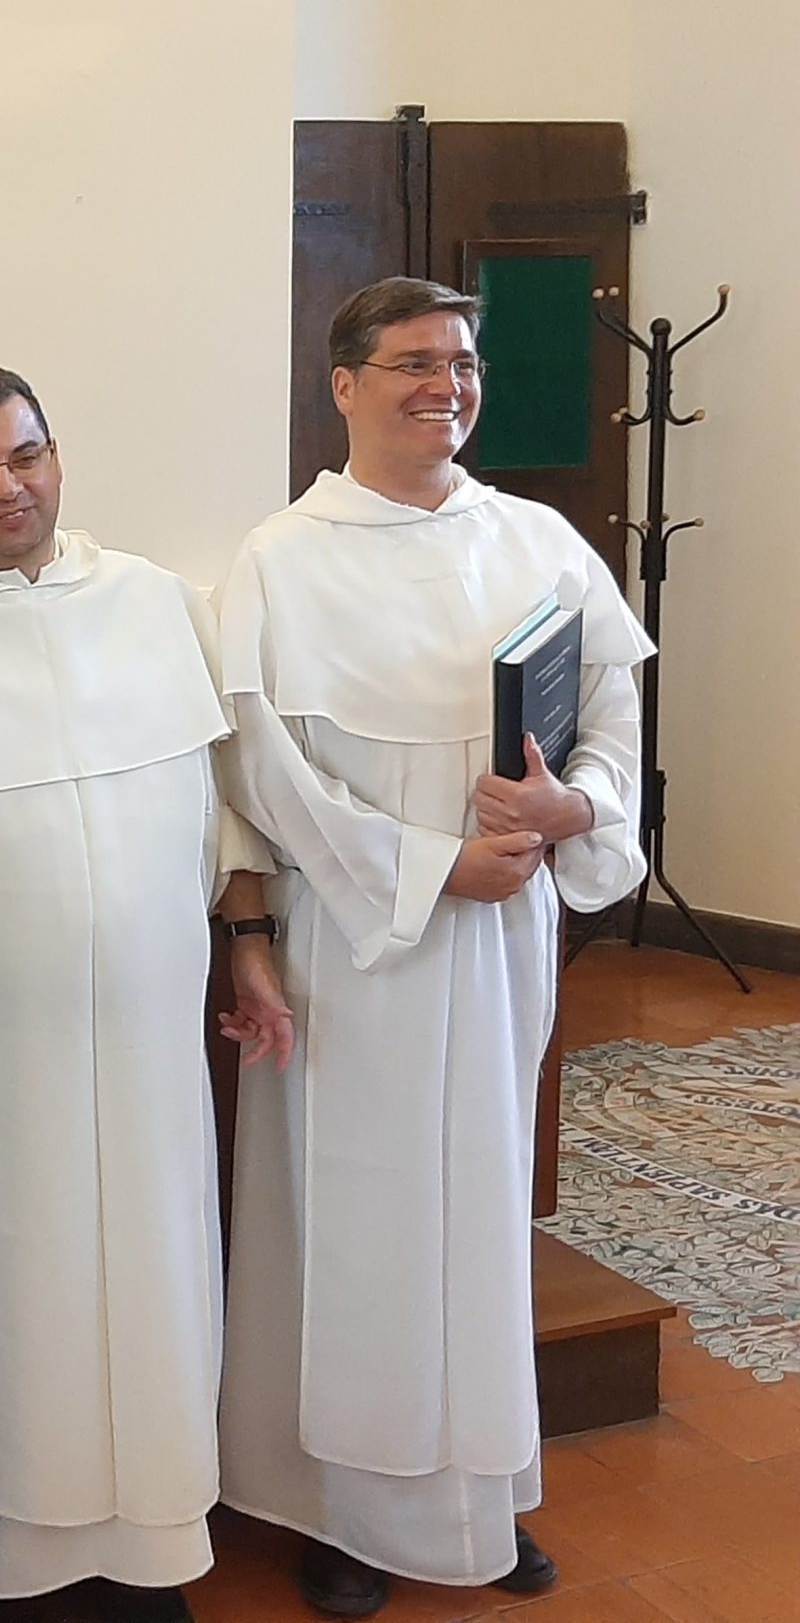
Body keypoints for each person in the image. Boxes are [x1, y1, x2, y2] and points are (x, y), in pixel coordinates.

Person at [212, 279, 652, 1616]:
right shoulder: (280, 560)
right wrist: (425, 865)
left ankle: (474, 1494)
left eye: (459, 361)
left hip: (505, 936)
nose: (441, 385)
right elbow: (264, 773)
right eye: (410, 362)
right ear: (342, 385)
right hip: (359, 945)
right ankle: (348, 1514)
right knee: (354, 1227)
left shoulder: (537, 538)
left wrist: (577, 809)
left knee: (479, 1216)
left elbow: (610, 719)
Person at [0, 368, 292, 1623]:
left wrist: (250, 947)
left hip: (149, 1033)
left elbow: (223, 805)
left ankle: (149, 1548)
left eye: (25, 457)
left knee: (157, 1282)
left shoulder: (153, 601)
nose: (7, 488)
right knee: (0, 1296)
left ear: (56, 458)